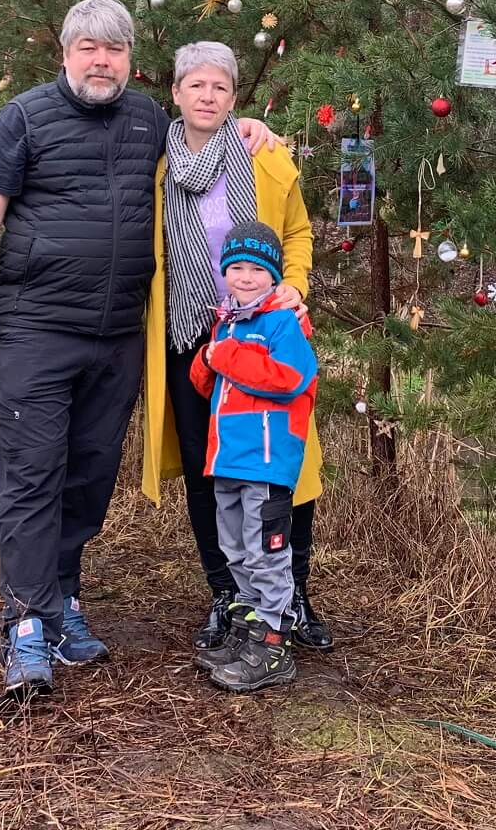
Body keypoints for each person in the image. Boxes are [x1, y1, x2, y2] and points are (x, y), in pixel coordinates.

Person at [0, 0, 287, 697]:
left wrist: (251, 124)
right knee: (33, 471)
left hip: (118, 335)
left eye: (115, 50)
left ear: (130, 60)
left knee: (91, 475)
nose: (102, 61)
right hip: (37, 326)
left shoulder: (146, 125)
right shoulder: (24, 119)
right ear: (65, 52)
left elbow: (204, 138)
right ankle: (27, 619)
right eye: (88, 48)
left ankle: (63, 597)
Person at [139, 42, 334, 652]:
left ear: (233, 97)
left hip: (260, 332)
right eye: (195, 85)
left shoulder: (264, 156)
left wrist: (294, 287)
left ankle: (291, 594)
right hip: (187, 339)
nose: (207, 96)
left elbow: (298, 231)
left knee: (282, 466)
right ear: (175, 93)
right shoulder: (156, 165)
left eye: (219, 87)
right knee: (208, 468)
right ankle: (228, 593)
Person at [188, 220, 318, 692]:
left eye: (256, 269)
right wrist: (206, 361)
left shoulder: (284, 321)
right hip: (226, 458)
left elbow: (291, 377)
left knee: (266, 554)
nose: (244, 277)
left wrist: (223, 356)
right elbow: (209, 383)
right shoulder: (226, 322)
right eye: (236, 267)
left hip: (265, 460)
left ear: (273, 275)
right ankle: (246, 630)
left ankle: (273, 642)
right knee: (236, 550)